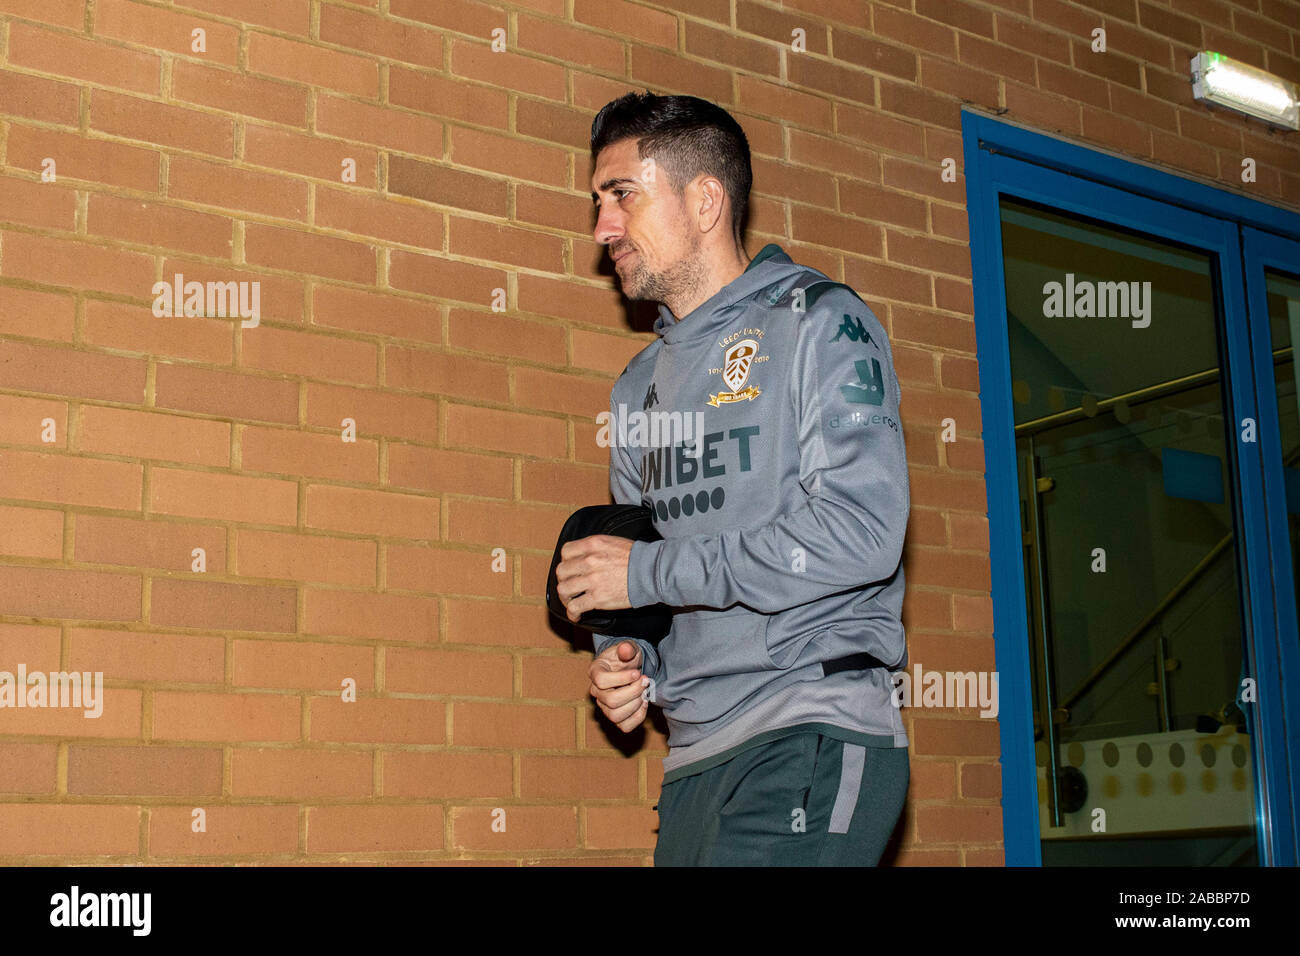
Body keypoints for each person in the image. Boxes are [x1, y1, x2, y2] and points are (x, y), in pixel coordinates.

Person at [553, 91, 911, 866]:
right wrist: (630, 661)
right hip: (694, 754)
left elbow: (863, 534)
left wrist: (646, 570)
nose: (602, 227)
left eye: (622, 196)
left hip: (809, 724)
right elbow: (646, 570)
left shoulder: (821, 322)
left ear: (705, 200)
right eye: (597, 203)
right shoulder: (635, 386)